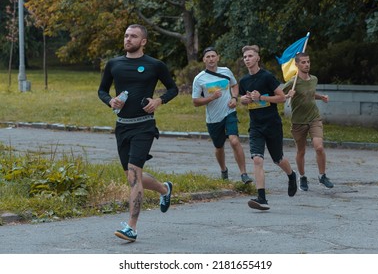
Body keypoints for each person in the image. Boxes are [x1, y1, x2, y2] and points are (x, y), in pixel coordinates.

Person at [98, 24, 178, 242]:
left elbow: (173, 88)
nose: (128, 39)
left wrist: (159, 100)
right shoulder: (114, 64)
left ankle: (131, 227)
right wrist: (109, 101)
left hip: (144, 126)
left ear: (143, 41)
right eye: (126, 35)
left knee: (134, 175)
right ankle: (164, 189)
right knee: (133, 176)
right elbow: (102, 90)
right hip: (122, 125)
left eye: (133, 36)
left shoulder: (154, 65)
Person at [238, 45, 297, 211]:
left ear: (257, 58)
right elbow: (244, 99)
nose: (247, 59)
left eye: (250, 56)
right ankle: (262, 198)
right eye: (245, 57)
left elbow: (281, 98)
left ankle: (292, 175)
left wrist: (261, 97)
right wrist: (244, 100)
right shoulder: (243, 81)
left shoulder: (267, 77)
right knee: (257, 159)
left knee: (278, 159)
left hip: (272, 124)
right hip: (256, 125)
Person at [192, 47, 253, 184]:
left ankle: (244, 174)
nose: (211, 59)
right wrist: (211, 98)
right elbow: (195, 102)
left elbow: (234, 85)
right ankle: (223, 169)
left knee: (234, 140)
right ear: (204, 60)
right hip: (213, 118)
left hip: (229, 112)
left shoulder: (226, 71)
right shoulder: (199, 79)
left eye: (213, 56)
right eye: (208, 57)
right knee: (219, 147)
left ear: (218, 57)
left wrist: (234, 98)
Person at [283, 52, 334, 191]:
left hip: (314, 118)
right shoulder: (293, 82)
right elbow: (279, 95)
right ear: (297, 64)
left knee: (319, 147)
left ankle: (322, 176)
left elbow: (309, 94)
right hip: (298, 121)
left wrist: (321, 96)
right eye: (303, 62)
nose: (306, 65)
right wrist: (288, 95)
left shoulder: (314, 79)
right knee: (301, 151)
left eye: (308, 62)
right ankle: (302, 177)